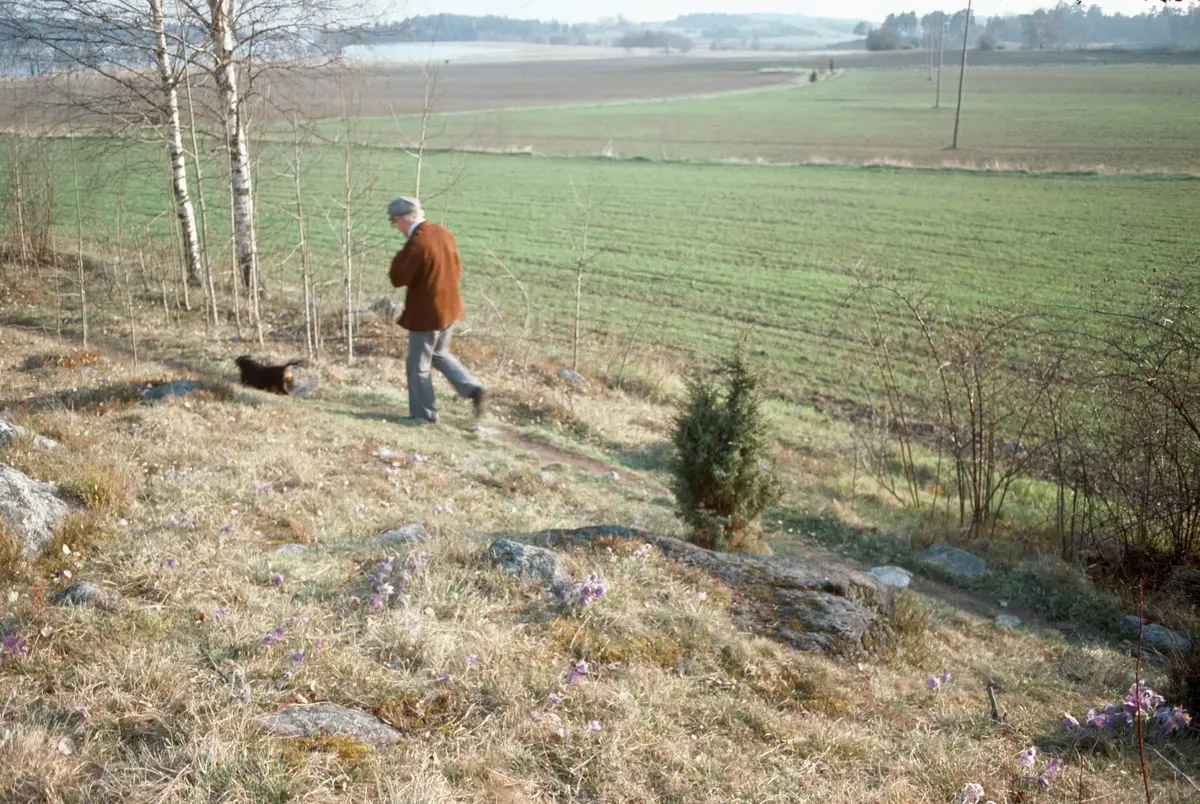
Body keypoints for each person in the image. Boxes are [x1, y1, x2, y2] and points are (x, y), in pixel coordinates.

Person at [386, 196, 487, 423]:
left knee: (417, 365)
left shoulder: (416, 243)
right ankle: (474, 389)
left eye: (394, 222)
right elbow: (457, 268)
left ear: (403, 219)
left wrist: (401, 254)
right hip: (450, 308)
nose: (396, 227)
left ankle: (423, 416)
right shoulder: (443, 232)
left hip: (427, 314)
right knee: (439, 354)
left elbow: (397, 278)